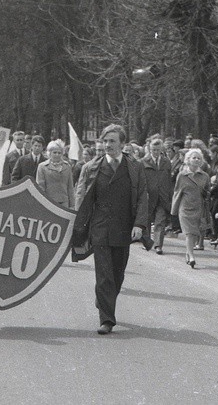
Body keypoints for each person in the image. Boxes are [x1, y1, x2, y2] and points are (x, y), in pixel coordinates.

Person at [73, 124, 148, 335]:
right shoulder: (91, 168)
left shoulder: (135, 166)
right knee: (104, 275)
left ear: (122, 144)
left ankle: (104, 299)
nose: (108, 145)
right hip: (100, 228)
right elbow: (81, 196)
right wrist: (80, 223)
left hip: (124, 228)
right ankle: (107, 320)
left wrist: (139, 225)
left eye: (112, 141)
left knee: (117, 274)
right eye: (105, 141)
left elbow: (143, 197)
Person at [171, 149, 210, 268]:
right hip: (185, 208)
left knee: (194, 233)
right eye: (194, 158)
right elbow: (177, 192)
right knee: (189, 233)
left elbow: (207, 192)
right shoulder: (182, 175)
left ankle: (188, 253)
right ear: (188, 160)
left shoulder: (205, 176)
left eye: (199, 158)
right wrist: (174, 210)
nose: (196, 160)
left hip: (198, 208)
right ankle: (192, 256)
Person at [141, 138, 173, 255]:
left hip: (163, 196)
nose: (155, 152)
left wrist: (170, 195)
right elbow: (142, 181)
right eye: (153, 150)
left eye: (158, 150)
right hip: (149, 196)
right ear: (149, 149)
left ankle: (158, 245)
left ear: (161, 150)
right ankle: (147, 241)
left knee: (160, 220)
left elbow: (169, 180)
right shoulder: (143, 162)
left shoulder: (166, 162)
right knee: (147, 219)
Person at [36, 141, 74, 209]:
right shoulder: (42, 166)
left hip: (64, 203)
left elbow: (70, 187)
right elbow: (40, 187)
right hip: (48, 202)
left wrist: (72, 205)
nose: (57, 155)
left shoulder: (67, 166)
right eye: (54, 152)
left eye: (59, 153)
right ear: (49, 153)